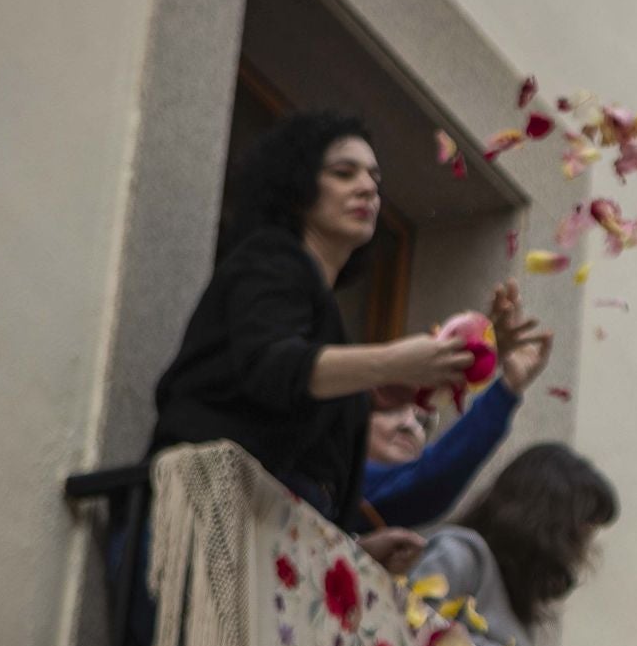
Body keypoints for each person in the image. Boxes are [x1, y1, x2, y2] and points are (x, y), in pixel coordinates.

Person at [149, 109, 471, 573]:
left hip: (262, 552)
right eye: (344, 173)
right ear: (297, 188)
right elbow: (276, 369)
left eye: (375, 179)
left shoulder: (319, 310)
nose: (368, 188)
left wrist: (355, 550)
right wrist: (391, 362)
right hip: (209, 531)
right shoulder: (270, 260)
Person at [412, 443, 618, 646]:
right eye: (580, 532)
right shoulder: (461, 553)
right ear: (546, 521)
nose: (583, 549)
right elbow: (415, 625)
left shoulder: (519, 609)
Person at [360, 280, 554, 529]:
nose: (411, 426)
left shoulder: (392, 510)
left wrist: (489, 363)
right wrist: (504, 390)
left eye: (423, 422)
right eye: (395, 411)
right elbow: (431, 475)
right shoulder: (339, 471)